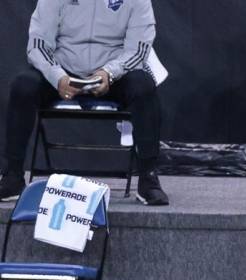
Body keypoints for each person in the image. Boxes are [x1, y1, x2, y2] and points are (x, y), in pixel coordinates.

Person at [0, 0, 169, 206]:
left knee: (143, 86)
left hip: (113, 74)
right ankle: (12, 176)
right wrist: (58, 76)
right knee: (23, 86)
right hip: (63, 73)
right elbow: (38, 44)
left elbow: (139, 49)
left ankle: (148, 179)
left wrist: (110, 73)